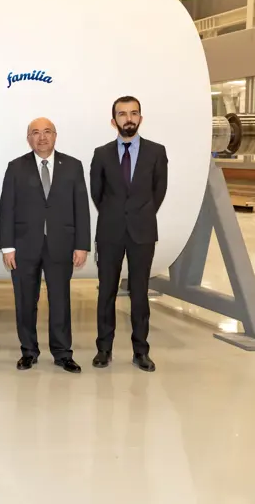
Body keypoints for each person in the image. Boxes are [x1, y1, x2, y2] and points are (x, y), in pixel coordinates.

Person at [0, 117, 90, 374]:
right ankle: (28, 351)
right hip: (24, 246)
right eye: (36, 133)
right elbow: (7, 208)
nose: (42, 137)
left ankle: (63, 353)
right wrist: (7, 247)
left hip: (61, 245)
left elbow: (81, 208)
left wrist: (82, 245)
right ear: (28, 138)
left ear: (55, 135)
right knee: (25, 301)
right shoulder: (16, 167)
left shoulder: (72, 166)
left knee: (60, 300)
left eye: (47, 132)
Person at [90, 95, 167, 372]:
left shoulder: (156, 152)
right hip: (110, 232)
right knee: (106, 292)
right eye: (122, 114)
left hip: (142, 233)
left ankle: (141, 351)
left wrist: (139, 214)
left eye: (133, 113)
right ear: (114, 121)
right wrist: (115, 215)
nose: (128, 119)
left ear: (140, 118)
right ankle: (104, 349)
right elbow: (97, 194)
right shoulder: (101, 154)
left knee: (140, 293)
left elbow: (159, 191)